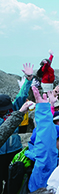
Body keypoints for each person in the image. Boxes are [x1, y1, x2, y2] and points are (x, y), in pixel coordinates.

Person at [0, 63, 33, 194]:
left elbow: (21, 96)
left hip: (15, 150)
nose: (4, 112)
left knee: (13, 176)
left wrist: (28, 79)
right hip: (1, 154)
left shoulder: (12, 109)